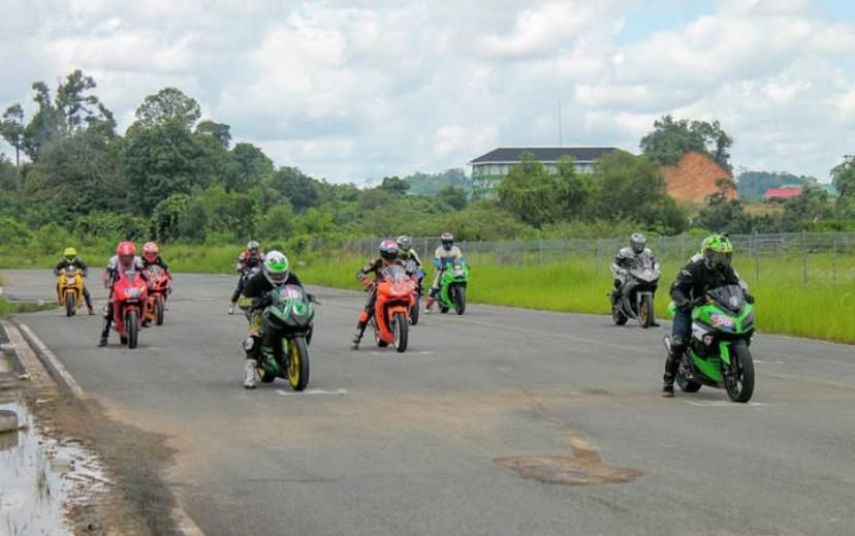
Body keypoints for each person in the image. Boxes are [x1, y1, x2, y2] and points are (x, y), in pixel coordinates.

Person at [662, 234, 752, 397]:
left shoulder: (728, 270)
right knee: (679, 342)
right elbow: (676, 289)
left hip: (715, 308)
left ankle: (725, 361)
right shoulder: (694, 268)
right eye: (717, 256)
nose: (722, 260)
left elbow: (736, 286)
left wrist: (745, 295)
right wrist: (684, 302)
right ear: (707, 254)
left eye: (725, 256)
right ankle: (668, 382)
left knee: (738, 330)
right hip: (690, 308)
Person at [239, 251, 305, 389]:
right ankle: (250, 373)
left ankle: (294, 349)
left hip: (284, 311)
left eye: (281, 273)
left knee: (302, 320)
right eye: (275, 274)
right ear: (266, 270)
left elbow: (300, 292)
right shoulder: (257, 280)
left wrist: (307, 297)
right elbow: (242, 301)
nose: (279, 276)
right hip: (261, 312)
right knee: (254, 337)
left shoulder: (292, 277)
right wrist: (257, 301)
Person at [351, 239, 404, 349]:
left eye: (393, 254)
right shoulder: (376, 262)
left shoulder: (400, 262)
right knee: (368, 310)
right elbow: (360, 272)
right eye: (387, 255)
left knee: (410, 296)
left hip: (396, 287)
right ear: (382, 253)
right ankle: (358, 335)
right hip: (379, 288)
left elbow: (411, 272)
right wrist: (367, 281)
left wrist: (414, 279)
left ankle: (406, 318)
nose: (390, 258)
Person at [98, 241, 148, 347]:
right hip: (118, 286)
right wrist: (107, 281)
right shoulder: (113, 260)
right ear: (119, 255)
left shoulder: (137, 260)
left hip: (134, 286)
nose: (126, 259)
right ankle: (104, 336)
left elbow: (144, 273)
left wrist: (150, 281)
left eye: (129, 257)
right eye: (124, 257)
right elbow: (107, 273)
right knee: (108, 310)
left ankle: (143, 318)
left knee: (145, 297)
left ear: (133, 255)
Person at [610, 232, 660, 326]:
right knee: (619, 283)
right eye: (637, 244)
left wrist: (656, 269)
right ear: (632, 243)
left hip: (642, 274)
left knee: (651, 289)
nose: (639, 246)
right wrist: (620, 270)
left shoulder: (648, 252)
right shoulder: (624, 252)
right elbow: (615, 264)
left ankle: (651, 318)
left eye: (641, 244)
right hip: (626, 273)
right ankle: (617, 303)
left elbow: (654, 263)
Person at [425, 231, 463, 312]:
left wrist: (464, 264)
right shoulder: (439, 250)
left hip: (453, 269)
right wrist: (439, 265)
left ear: (452, 242)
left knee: (461, 278)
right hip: (442, 270)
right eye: (446, 242)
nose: (448, 244)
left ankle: (458, 297)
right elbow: (437, 260)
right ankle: (428, 306)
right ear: (443, 242)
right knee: (435, 287)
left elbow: (461, 259)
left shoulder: (456, 249)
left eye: (450, 242)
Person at [53, 247, 95, 315]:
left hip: (76, 277)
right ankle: (60, 299)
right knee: (58, 285)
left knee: (86, 293)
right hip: (65, 277)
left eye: (72, 256)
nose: (70, 258)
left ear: (75, 255)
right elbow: (56, 268)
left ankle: (90, 309)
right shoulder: (62, 261)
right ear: (65, 256)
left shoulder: (78, 261)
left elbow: (85, 268)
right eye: (68, 256)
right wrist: (58, 272)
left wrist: (84, 273)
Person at [229, 240, 264, 315]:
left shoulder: (260, 254)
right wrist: (239, 268)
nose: (254, 251)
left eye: (255, 249)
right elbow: (239, 263)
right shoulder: (244, 254)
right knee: (239, 289)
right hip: (246, 272)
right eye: (252, 249)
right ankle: (232, 305)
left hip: (257, 273)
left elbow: (265, 262)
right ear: (249, 249)